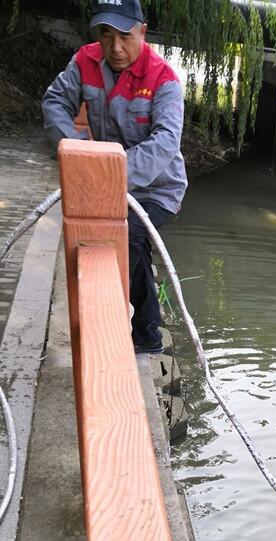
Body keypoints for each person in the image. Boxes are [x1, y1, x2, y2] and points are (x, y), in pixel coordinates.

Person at [42, 0, 187, 354]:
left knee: (129, 238)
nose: (116, 47)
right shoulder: (85, 62)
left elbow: (165, 143)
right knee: (96, 242)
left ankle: (147, 335)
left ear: (142, 31)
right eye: (107, 36)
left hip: (157, 188)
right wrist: (79, 151)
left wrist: (106, 173)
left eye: (125, 36)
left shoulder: (163, 79)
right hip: (105, 181)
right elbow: (54, 103)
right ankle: (102, 315)